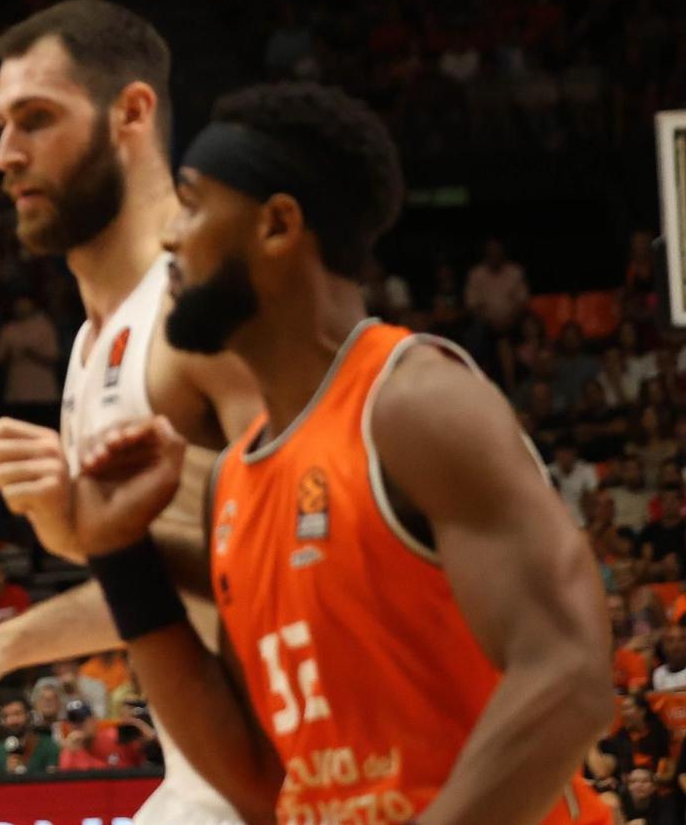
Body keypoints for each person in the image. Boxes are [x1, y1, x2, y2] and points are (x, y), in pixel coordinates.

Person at [70, 81, 613, 824]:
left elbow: (571, 675)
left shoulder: (416, 403)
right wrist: (121, 556)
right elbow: (262, 778)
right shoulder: (233, 477)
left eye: (192, 204)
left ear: (277, 225)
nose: (169, 237)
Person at [0, 0, 260, 825]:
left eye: (37, 119)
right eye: (0, 123)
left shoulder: (207, 308)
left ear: (133, 111)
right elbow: (186, 587)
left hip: (298, 783)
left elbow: (321, 551)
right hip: (206, 783)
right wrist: (3, 644)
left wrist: (96, 536)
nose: (4, 154)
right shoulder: (94, 344)